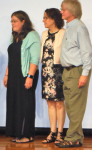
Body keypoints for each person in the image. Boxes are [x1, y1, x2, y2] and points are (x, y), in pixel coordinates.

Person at [57, 0, 92, 148]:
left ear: (72, 11)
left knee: (75, 106)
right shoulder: (69, 27)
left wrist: (84, 74)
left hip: (77, 70)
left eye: (63, 9)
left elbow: (87, 53)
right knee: (71, 106)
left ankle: (72, 138)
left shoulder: (79, 28)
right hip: (68, 71)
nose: (61, 12)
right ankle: (76, 138)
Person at [3, 10, 41, 143]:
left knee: (25, 104)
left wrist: (30, 76)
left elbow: (35, 58)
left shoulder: (32, 35)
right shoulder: (13, 36)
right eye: (11, 21)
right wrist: (7, 74)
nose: (12, 24)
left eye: (15, 21)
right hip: (13, 75)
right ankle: (17, 133)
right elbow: (11, 58)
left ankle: (27, 134)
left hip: (25, 74)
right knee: (14, 103)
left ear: (23, 21)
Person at [40, 8, 66, 144]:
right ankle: (52, 132)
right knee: (50, 103)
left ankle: (61, 133)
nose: (43, 20)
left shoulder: (63, 33)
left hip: (58, 71)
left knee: (59, 103)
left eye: (45, 18)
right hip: (46, 71)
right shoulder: (44, 34)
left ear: (53, 19)